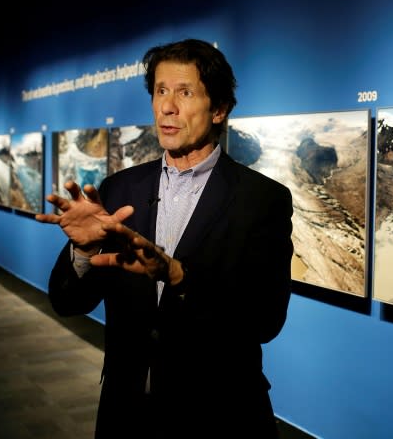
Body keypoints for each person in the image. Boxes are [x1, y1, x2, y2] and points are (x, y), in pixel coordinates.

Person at [35, 39, 294, 438]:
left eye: (185, 92)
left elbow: (264, 320)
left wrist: (178, 277)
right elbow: (67, 302)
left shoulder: (261, 200)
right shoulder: (120, 190)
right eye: (160, 91)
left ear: (220, 109)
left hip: (220, 414)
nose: (166, 106)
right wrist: (84, 250)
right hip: (127, 412)